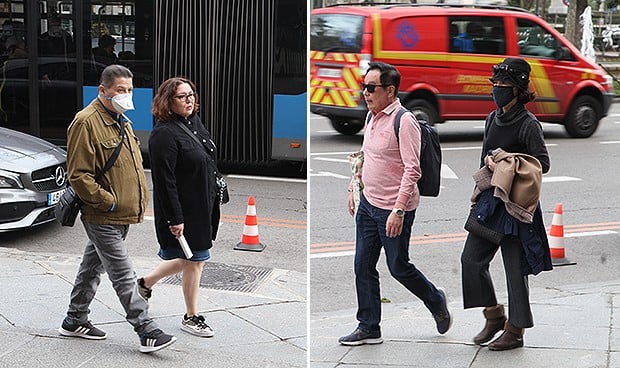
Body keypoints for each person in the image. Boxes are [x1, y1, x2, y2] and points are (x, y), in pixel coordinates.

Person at [58, 64, 177, 353]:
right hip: (103, 213)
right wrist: (107, 201)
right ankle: (145, 328)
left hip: (121, 212)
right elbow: (79, 174)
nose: (126, 95)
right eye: (120, 91)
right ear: (103, 91)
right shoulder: (86, 122)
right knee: (122, 273)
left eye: (129, 90)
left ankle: (74, 319)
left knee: (92, 267)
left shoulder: (120, 118)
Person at [339, 61, 451, 346]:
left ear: (390, 90)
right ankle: (369, 326)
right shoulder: (371, 116)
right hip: (368, 204)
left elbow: (413, 170)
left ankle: (435, 298)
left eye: (371, 87)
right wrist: (353, 187)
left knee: (398, 267)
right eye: (364, 86)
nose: (365, 92)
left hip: (394, 209)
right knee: (362, 266)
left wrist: (398, 210)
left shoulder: (405, 121)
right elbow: (365, 156)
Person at [460, 57, 552, 351]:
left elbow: (543, 164)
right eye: (495, 85)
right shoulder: (491, 118)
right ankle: (493, 313)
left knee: (516, 270)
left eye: (502, 86)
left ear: (517, 89)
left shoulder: (528, 124)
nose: (496, 90)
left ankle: (516, 329)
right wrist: (489, 163)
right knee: (471, 261)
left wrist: (507, 159)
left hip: (516, 206)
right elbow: (484, 158)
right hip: (490, 203)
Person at [137, 77, 220, 338]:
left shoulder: (193, 123)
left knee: (192, 259)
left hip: (202, 204)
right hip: (183, 209)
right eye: (182, 97)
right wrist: (175, 218)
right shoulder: (163, 134)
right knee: (195, 261)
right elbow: (164, 182)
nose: (190, 100)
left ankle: (144, 283)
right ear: (167, 102)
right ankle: (191, 316)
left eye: (191, 95)